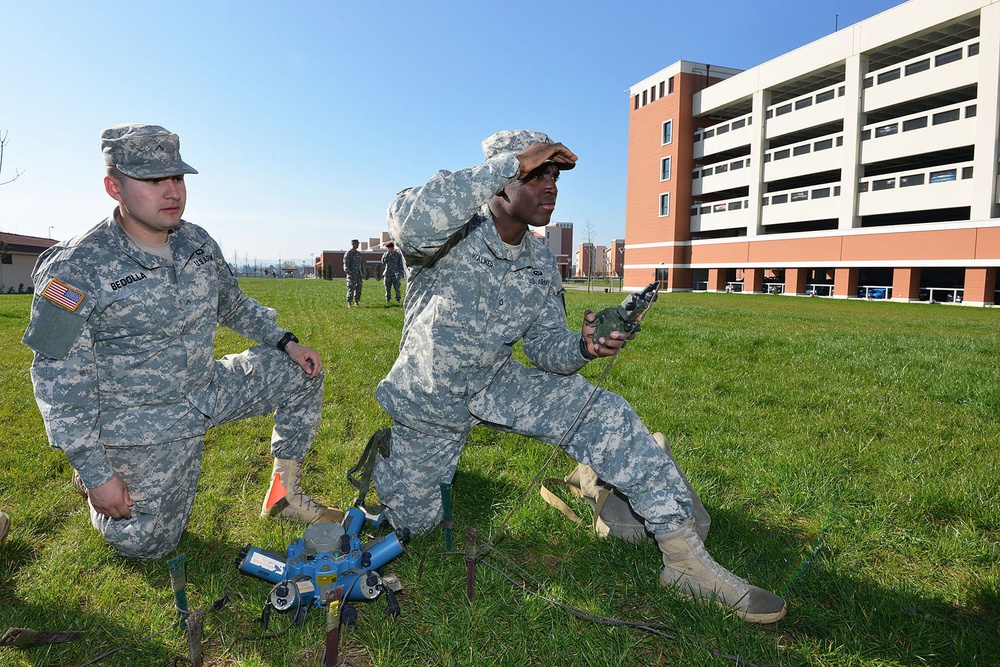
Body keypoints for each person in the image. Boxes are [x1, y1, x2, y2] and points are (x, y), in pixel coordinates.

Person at [372, 130, 786, 623]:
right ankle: (401, 456)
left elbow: (545, 347)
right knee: (412, 525)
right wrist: (509, 164)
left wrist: (584, 347)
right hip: (429, 393)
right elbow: (407, 225)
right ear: (503, 178)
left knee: (603, 411)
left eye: (555, 177)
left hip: (494, 384)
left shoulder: (540, 262)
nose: (551, 188)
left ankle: (684, 559)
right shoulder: (448, 229)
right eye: (536, 176)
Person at [22, 123, 342, 561]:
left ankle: (283, 495)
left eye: (177, 178)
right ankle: (98, 484)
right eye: (153, 181)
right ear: (113, 187)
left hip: (204, 387)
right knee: (150, 545)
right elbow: (57, 382)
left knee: (302, 372)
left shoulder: (197, 242)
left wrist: (285, 342)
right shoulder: (75, 268)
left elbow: (232, 305)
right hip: (140, 419)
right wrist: (96, 472)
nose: (172, 191)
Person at [344, 239, 364, 306]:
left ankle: (357, 301)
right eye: (357, 244)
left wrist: (362, 273)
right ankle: (349, 302)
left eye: (358, 244)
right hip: (352, 274)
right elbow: (346, 264)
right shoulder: (348, 253)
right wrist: (348, 273)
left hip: (358, 274)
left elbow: (361, 264)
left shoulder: (359, 254)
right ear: (353, 244)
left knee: (359, 288)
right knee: (351, 288)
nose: (358, 245)